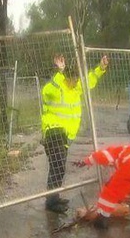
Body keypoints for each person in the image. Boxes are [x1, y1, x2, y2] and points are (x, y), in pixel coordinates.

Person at [41, 53, 109, 213]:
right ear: (67, 77)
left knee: (57, 168)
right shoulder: (56, 87)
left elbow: (90, 80)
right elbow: (47, 90)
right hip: (53, 131)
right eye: (73, 79)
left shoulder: (75, 87)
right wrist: (60, 71)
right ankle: (51, 202)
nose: (76, 82)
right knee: (58, 167)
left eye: (77, 80)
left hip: (64, 136)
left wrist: (101, 68)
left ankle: (53, 198)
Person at [72, 145, 130, 227]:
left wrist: (85, 162)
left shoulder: (116, 151)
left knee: (110, 192)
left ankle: (102, 218)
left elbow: (102, 155)